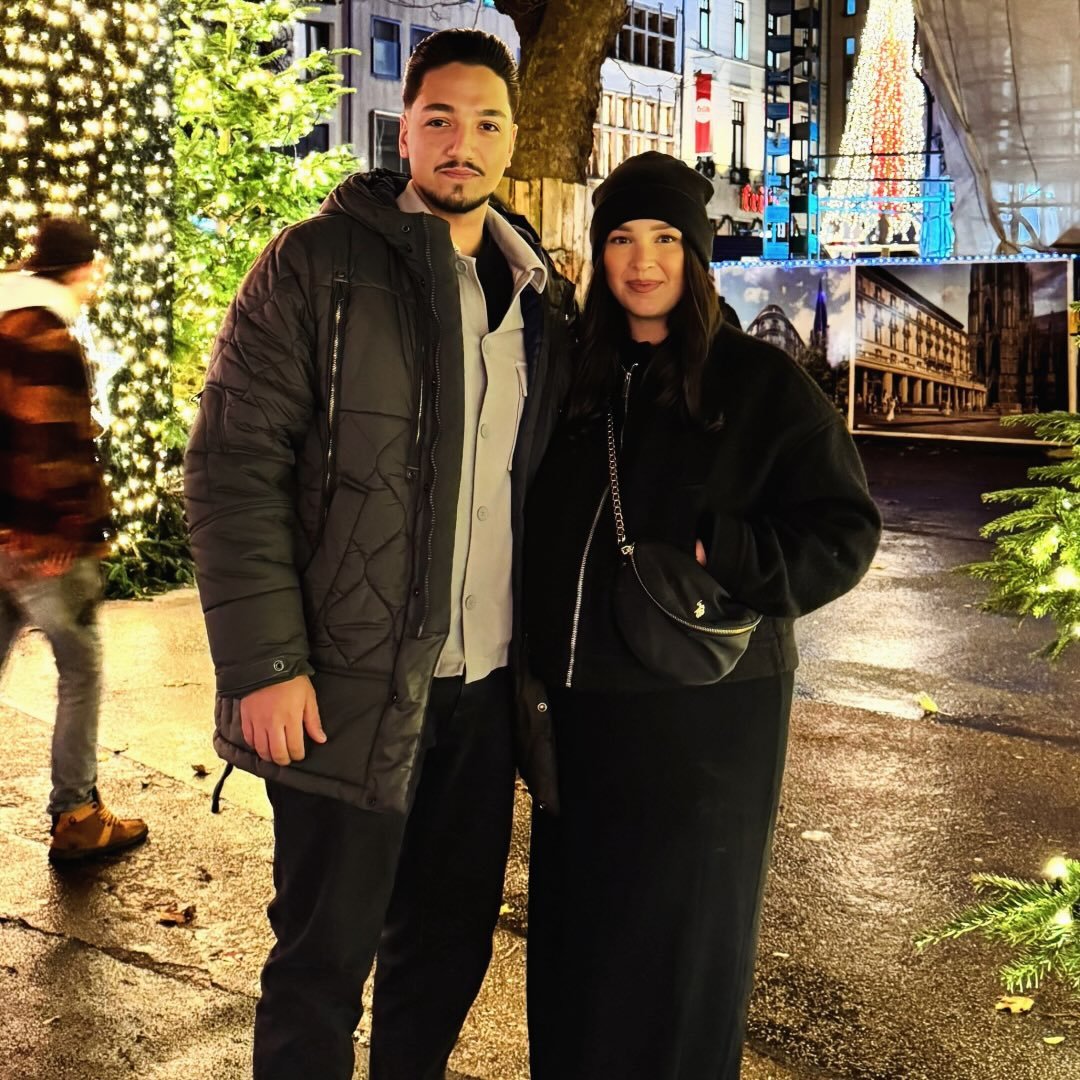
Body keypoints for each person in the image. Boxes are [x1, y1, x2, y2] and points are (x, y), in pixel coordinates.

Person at [183, 29, 575, 1080]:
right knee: (320, 966)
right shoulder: (314, 265)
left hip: (483, 696)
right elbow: (231, 470)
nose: (462, 143)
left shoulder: (536, 296)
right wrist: (266, 665)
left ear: (511, 139)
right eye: (439, 118)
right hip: (341, 688)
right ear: (404, 130)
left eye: (485, 122)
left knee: (442, 957)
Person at [523, 152, 881, 1080]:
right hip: (582, 715)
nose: (643, 262)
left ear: (696, 252)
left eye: (666, 239)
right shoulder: (575, 378)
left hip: (707, 719)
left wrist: (725, 551)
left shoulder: (758, 384)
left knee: (683, 953)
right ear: (600, 254)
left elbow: (844, 530)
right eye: (621, 239)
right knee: (581, 948)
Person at [0, 216, 149, 862]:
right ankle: (78, 813)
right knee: (81, 668)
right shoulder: (46, 338)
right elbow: (50, 435)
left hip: (7, 534)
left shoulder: (5, 325)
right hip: (42, 544)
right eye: (94, 269)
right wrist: (65, 524)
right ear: (79, 268)